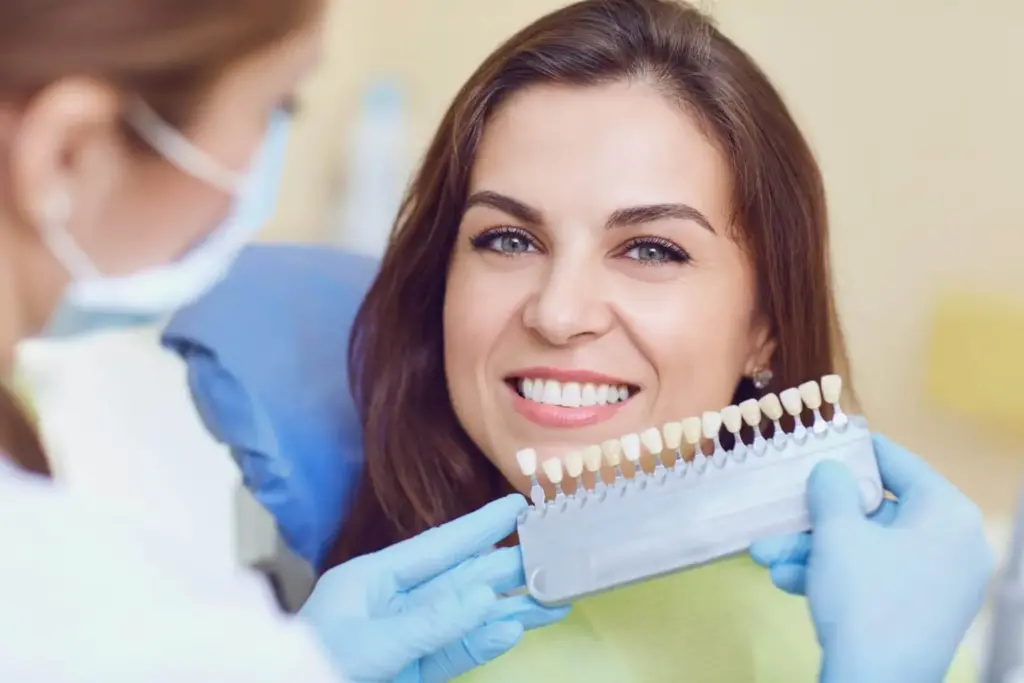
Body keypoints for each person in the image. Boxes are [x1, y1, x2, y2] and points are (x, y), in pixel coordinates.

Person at [325, 0, 992, 680]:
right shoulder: (338, 628)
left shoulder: (864, 634)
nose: (557, 314)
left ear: (766, 328)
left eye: (649, 250)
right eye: (509, 238)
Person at [0, 1, 566, 681]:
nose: (559, 315)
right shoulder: (90, 616)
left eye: (652, 250)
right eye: (277, 106)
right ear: (68, 150)